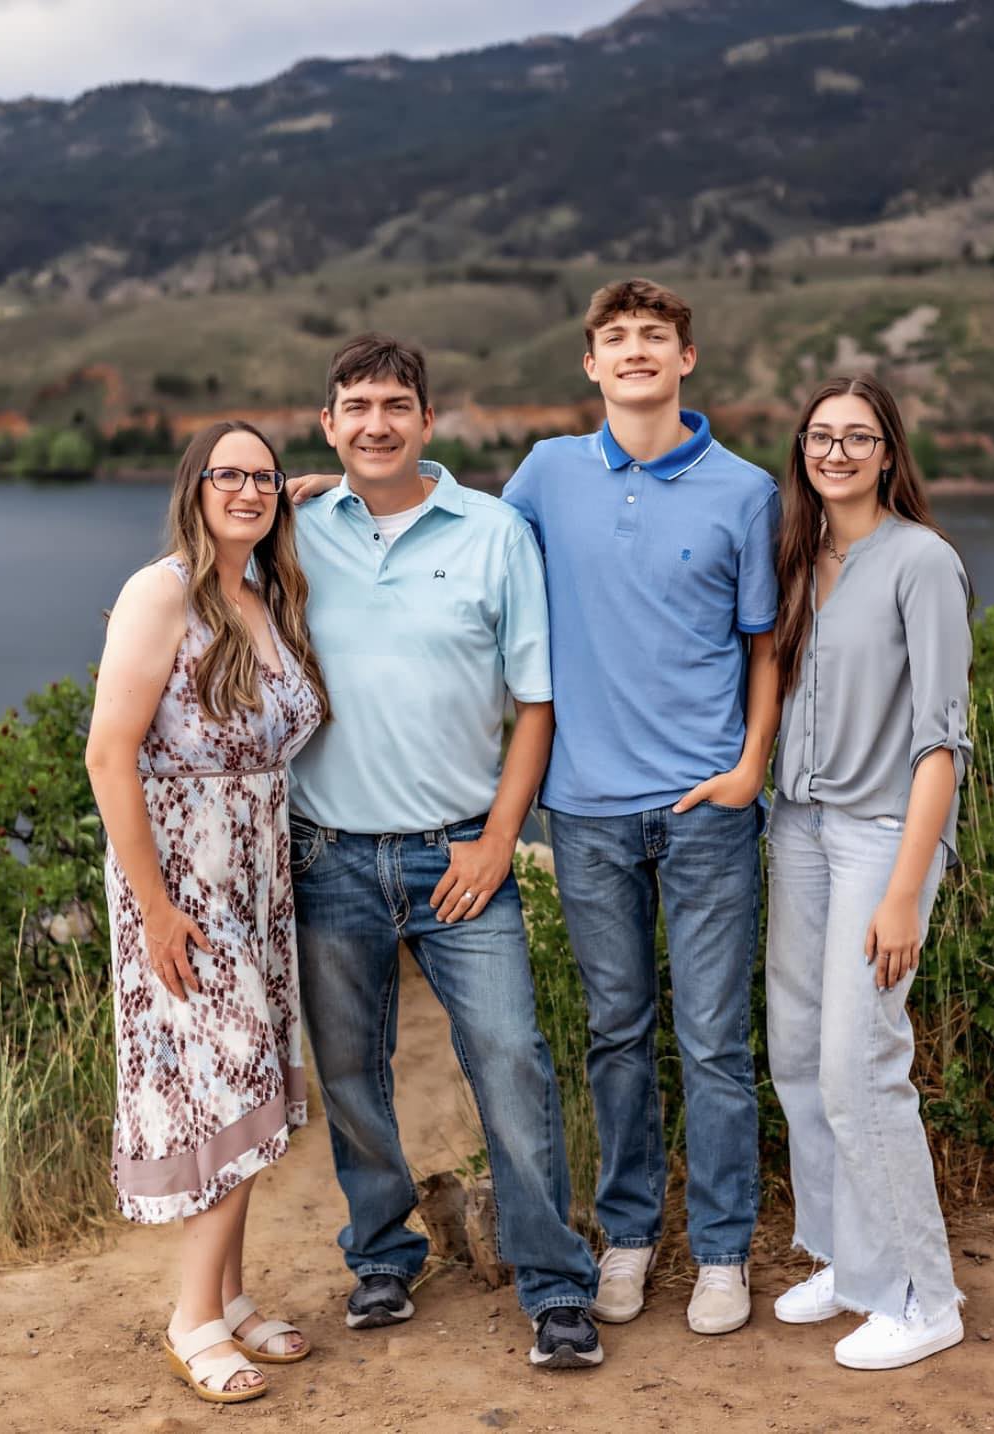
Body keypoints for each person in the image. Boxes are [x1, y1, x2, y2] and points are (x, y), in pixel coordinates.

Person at [286, 333, 603, 1370]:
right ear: (330, 423)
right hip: (327, 856)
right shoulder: (295, 532)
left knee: (511, 1062)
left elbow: (539, 705)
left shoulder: (495, 532)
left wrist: (499, 842)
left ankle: (556, 1284)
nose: (376, 422)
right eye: (355, 406)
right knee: (348, 1071)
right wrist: (282, 492)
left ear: (427, 420)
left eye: (395, 404)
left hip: (461, 857)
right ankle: (383, 1254)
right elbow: (193, 564)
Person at [503, 278, 781, 1335]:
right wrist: (331, 493)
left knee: (713, 1041)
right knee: (618, 1033)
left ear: (685, 358)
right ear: (589, 364)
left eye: (652, 337)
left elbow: (765, 646)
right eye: (615, 338)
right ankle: (627, 1238)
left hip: (709, 804)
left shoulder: (745, 490)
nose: (634, 352)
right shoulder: (547, 473)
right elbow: (463, 544)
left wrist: (751, 766)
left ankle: (720, 1252)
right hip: (584, 808)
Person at [86, 420, 329, 1403]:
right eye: (226, 474)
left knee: (254, 1081)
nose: (247, 490)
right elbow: (110, 755)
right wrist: (154, 909)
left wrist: (313, 490)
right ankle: (192, 1323)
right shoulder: (162, 591)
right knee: (228, 1087)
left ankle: (228, 1297)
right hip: (183, 883)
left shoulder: (263, 593)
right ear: (193, 487)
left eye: (262, 477)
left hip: (260, 880)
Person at [766, 375, 971, 1369]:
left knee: (860, 1066)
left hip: (880, 835)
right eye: (821, 435)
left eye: (859, 436)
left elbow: (943, 742)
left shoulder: (922, 562)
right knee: (800, 1054)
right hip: (797, 828)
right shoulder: (805, 559)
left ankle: (924, 1296)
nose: (837, 451)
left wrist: (904, 886)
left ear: (890, 453)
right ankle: (853, 1266)